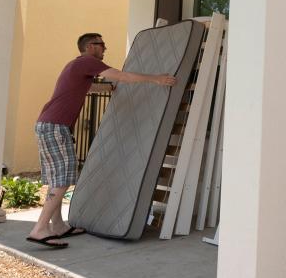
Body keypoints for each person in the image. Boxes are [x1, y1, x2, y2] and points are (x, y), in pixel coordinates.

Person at [26, 32, 176, 247]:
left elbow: (83, 88)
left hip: (47, 124)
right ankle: (40, 229)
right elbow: (122, 75)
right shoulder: (87, 61)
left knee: (56, 178)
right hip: (56, 126)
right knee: (63, 178)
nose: (105, 48)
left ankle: (57, 225)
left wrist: (109, 88)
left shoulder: (76, 66)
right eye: (101, 44)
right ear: (89, 47)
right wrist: (157, 79)